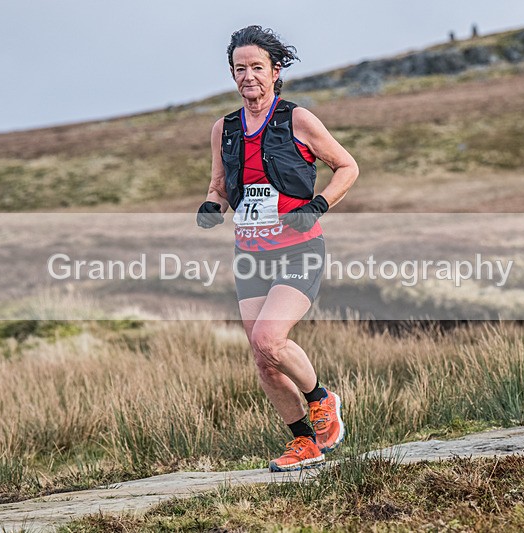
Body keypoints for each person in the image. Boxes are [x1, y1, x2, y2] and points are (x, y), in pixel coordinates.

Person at [197, 26, 359, 472]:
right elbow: (219, 186)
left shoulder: (297, 120)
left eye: (256, 67)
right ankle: (304, 442)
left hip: (298, 248)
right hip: (250, 254)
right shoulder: (224, 128)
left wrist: (318, 205)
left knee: (271, 338)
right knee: (263, 359)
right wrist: (212, 206)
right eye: (239, 68)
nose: (247, 76)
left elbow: (347, 166)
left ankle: (322, 399)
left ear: (275, 70)